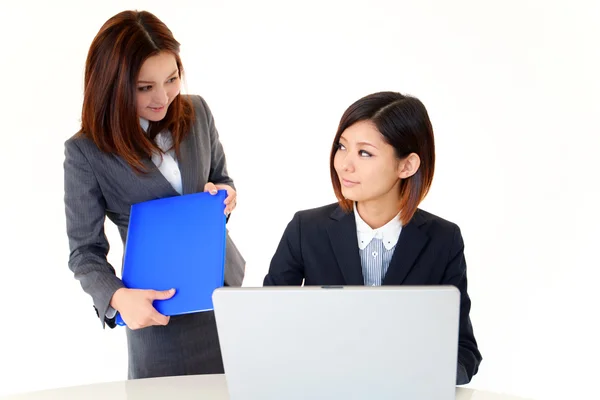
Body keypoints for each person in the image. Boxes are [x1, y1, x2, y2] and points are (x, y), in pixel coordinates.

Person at [63, 10, 245, 379]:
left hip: (225, 296)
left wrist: (225, 195)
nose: (163, 97)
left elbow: (221, 178)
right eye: (145, 87)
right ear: (111, 86)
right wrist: (118, 299)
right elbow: (84, 252)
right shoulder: (86, 152)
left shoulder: (197, 112)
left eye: (172, 79)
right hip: (157, 311)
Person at [263, 91, 482, 384]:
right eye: (342, 147)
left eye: (364, 153)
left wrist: (423, 377)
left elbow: (463, 350)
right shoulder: (306, 229)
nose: (344, 164)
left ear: (407, 165)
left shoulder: (443, 239)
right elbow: (267, 330)